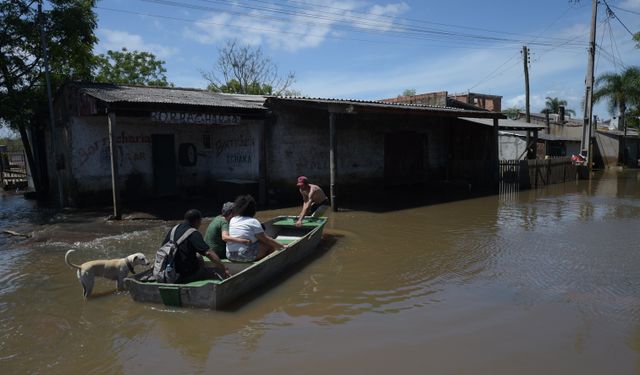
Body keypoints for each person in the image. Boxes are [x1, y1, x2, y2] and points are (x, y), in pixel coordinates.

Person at [162, 209, 229, 283]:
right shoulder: (193, 233)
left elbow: (164, 248)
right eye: (200, 221)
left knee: (198, 256)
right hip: (185, 275)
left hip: (169, 273)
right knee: (212, 272)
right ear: (197, 221)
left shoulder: (173, 230)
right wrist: (223, 268)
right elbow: (208, 253)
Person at [226, 195, 284, 262]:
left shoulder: (233, 219)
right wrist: (281, 246)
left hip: (230, 255)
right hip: (244, 255)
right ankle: (269, 264)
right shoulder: (253, 221)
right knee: (269, 245)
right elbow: (266, 240)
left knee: (258, 242)